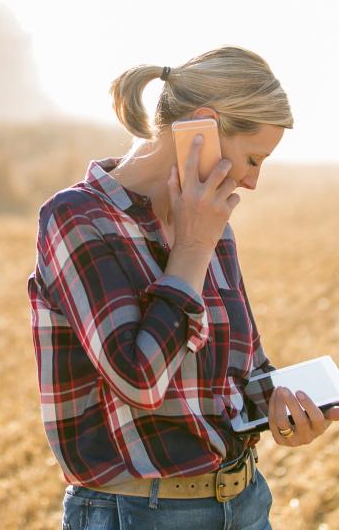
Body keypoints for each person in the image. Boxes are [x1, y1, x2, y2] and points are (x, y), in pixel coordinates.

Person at [26, 46, 339, 530]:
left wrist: (277, 407)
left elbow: (245, 371)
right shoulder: (78, 218)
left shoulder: (212, 224)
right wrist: (192, 248)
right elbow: (140, 381)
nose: (253, 182)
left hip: (247, 502)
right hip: (140, 513)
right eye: (253, 158)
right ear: (203, 125)